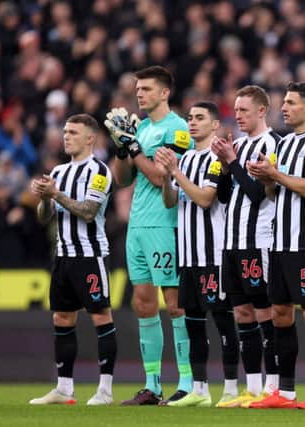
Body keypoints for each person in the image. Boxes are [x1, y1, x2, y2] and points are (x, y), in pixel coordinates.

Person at [106, 65, 193, 405]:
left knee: (174, 303)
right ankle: (152, 385)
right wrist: (121, 148)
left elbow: (161, 178)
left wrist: (135, 149)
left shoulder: (178, 128)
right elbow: (123, 179)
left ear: (164, 93)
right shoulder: (141, 127)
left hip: (165, 223)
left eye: (145, 89)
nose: (139, 94)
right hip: (138, 224)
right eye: (137, 88)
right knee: (143, 302)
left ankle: (186, 381)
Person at [247, 82, 305, 410]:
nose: (283, 108)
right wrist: (266, 178)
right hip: (279, 242)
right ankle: (284, 392)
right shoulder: (281, 145)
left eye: (291, 103)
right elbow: (273, 193)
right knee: (280, 313)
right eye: (283, 102)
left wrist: (275, 175)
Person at [155, 101, 240, 407]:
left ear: (215, 124)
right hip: (189, 254)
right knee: (192, 321)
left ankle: (231, 388)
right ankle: (200, 390)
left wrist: (175, 171)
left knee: (223, 321)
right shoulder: (187, 158)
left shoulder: (216, 160)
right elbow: (169, 202)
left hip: (213, 255)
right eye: (190, 117)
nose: (192, 122)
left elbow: (205, 199)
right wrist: (167, 177)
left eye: (200, 118)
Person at [29, 114, 117, 405]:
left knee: (101, 316)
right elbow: (45, 217)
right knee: (62, 318)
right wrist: (44, 198)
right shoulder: (59, 171)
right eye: (65, 131)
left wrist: (56, 194)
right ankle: (64, 389)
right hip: (63, 256)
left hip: (90, 256)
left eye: (74, 132)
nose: (66, 136)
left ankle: (105, 390)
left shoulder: (100, 171)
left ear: (90, 138)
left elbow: (89, 211)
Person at [211, 85, 282, 407]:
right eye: (235, 110)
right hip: (232, 241)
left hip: (259, 241)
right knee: (242, 312)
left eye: (243, 110)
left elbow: (258, 194)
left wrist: (234, 162)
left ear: (261, 111)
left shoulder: (273, 145)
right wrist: (226, 165)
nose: (237, 115)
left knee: (265, 310)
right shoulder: (236, 145)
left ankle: (274, 385)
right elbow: (224, 196)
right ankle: (252, 387)